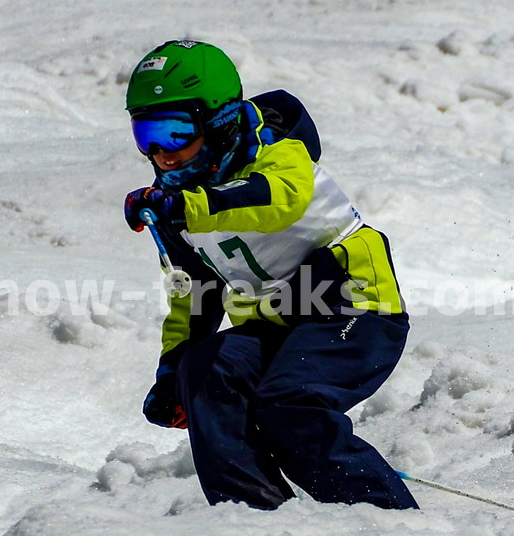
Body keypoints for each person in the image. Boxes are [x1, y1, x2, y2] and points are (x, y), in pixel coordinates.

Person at [123, 39, 418, 511]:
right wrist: (170, 372)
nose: (162, 154)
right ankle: (259, 520)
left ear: (218, 122)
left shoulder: (276, 149)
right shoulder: (175, 200)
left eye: (175, 132)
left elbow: (281, 197)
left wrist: (187, 207)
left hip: (351, 306)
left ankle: (389, 524)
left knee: (289, 402)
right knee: (205, 373)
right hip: (277, 325)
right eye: (146, 135)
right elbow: (194, 291)